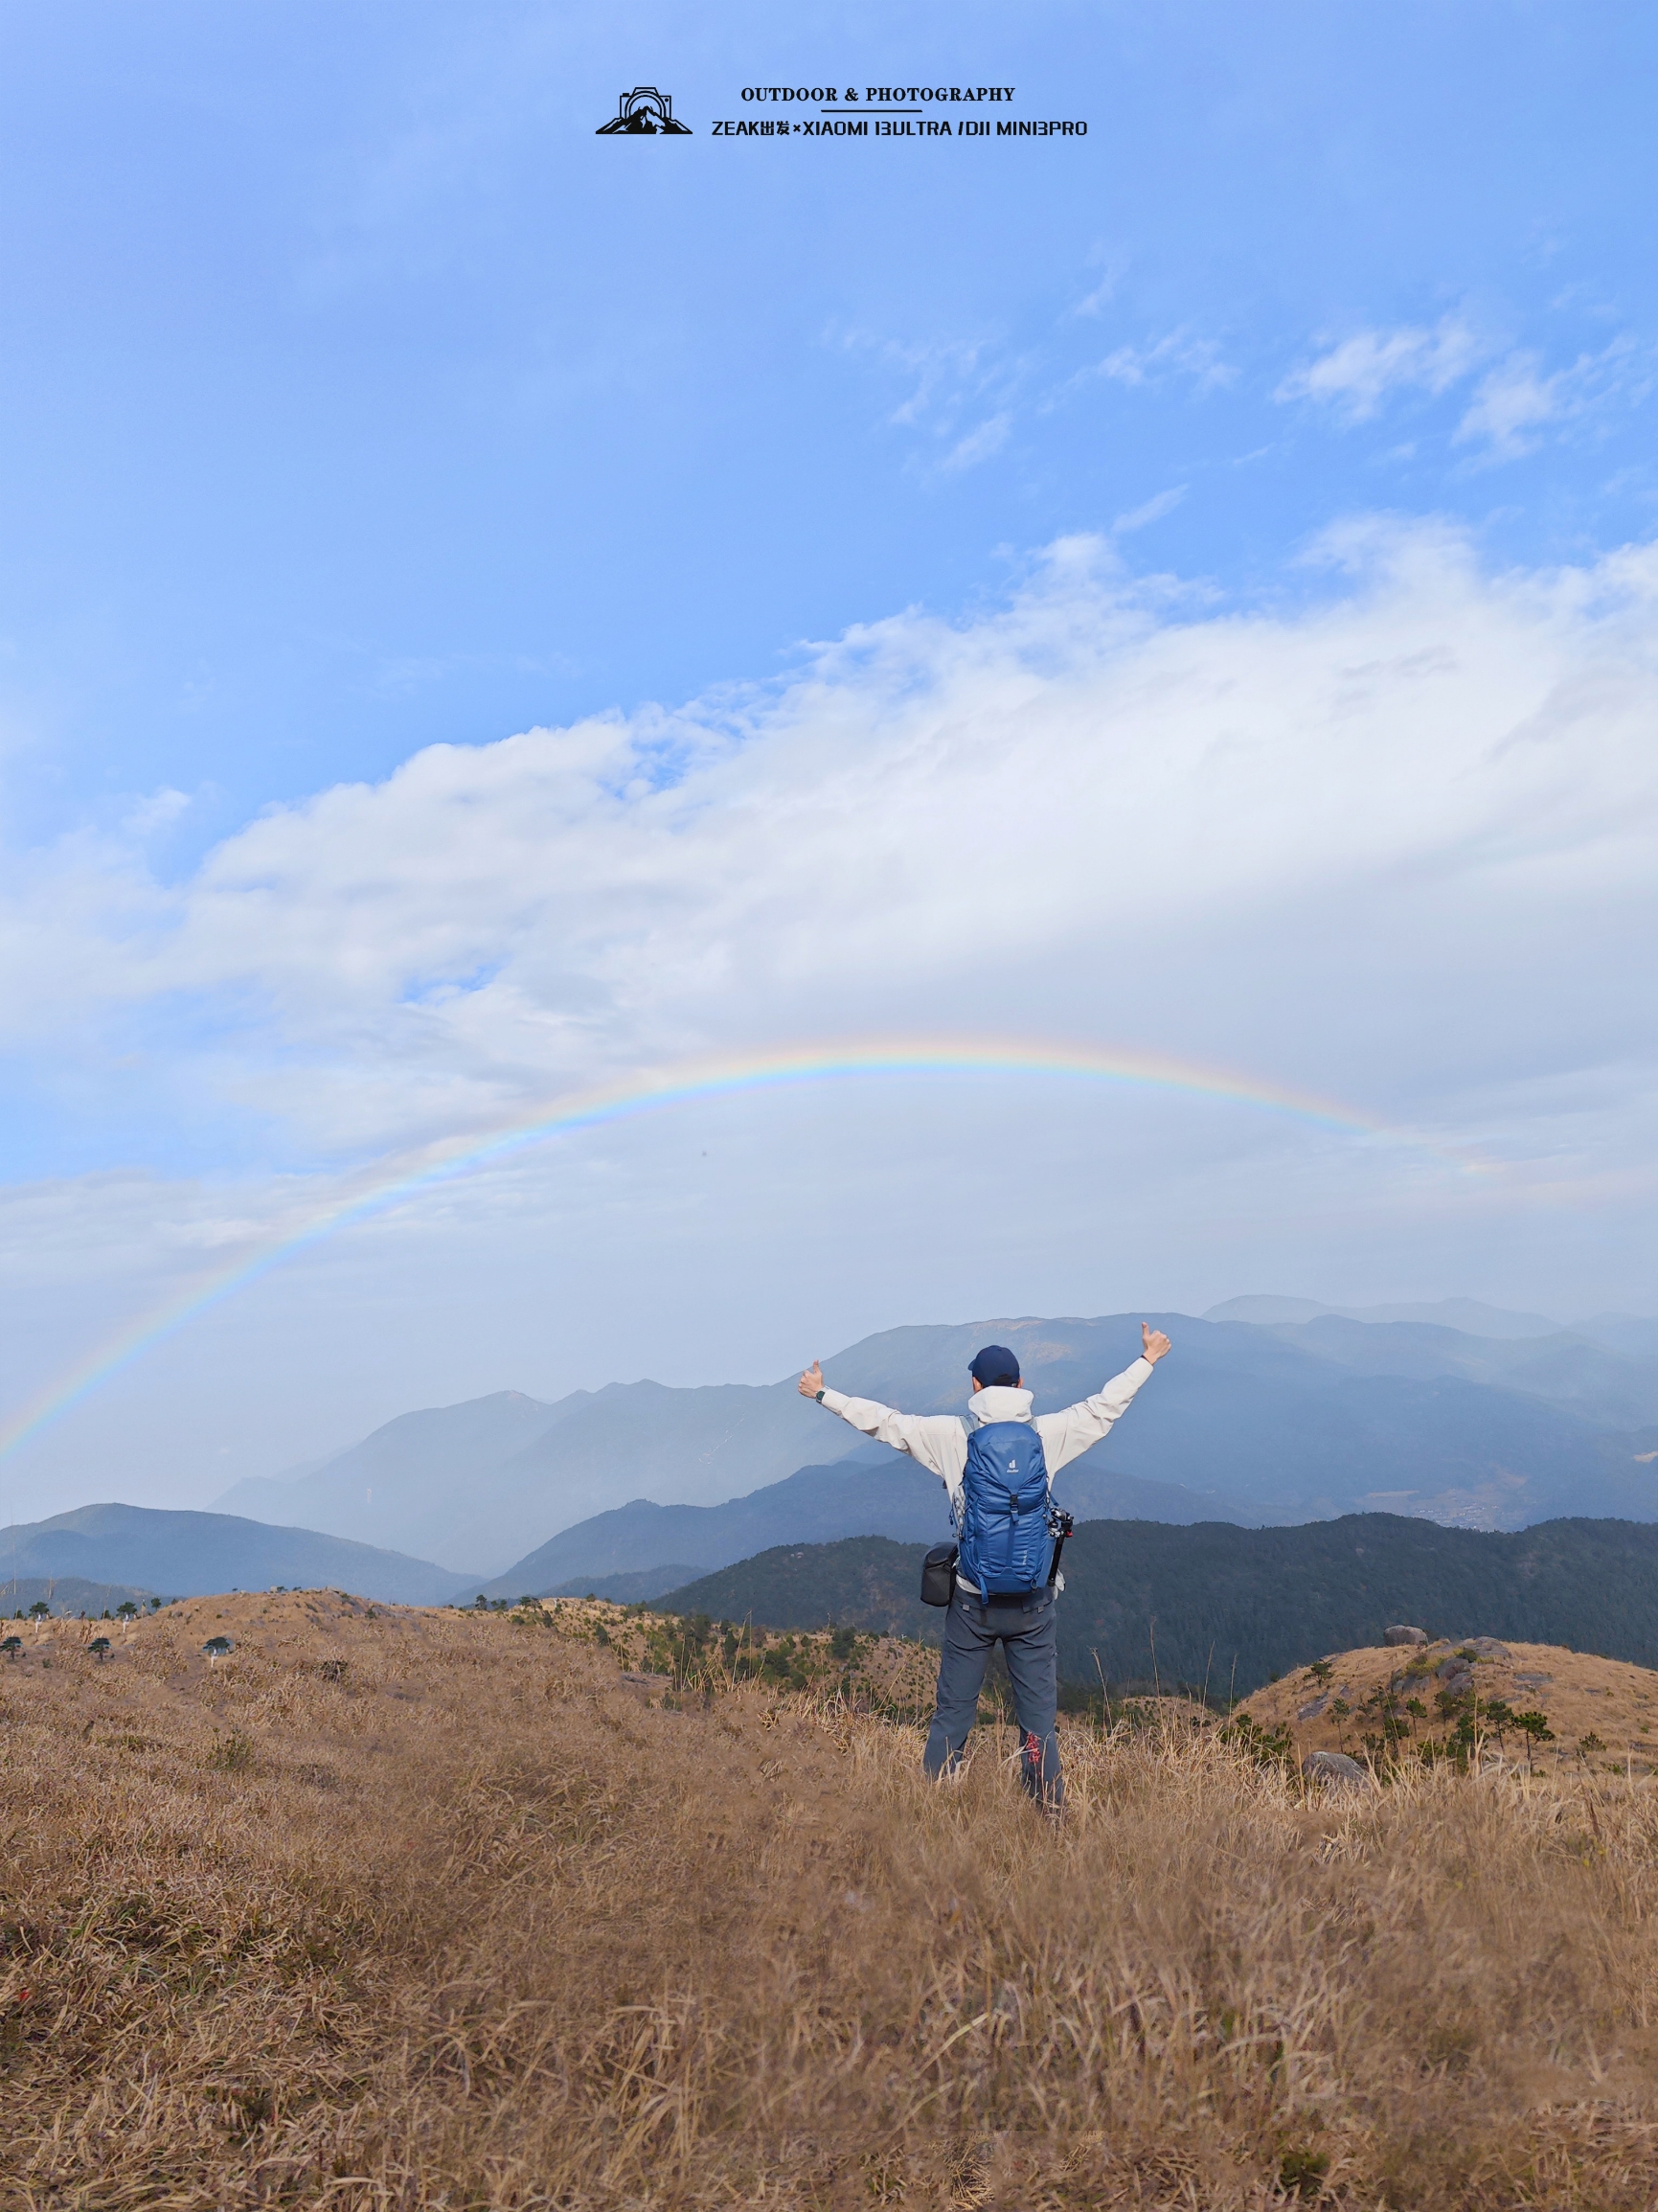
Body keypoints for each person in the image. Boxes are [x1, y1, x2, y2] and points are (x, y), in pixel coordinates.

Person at [798, 1325, 1172, 1812]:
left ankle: (936, 1806)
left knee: (954, 1711)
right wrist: (1148, 1360)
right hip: (1034, 1608)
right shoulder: (1047, 1435)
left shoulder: (952, 1436)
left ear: (975, 1387)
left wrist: (823, 1393)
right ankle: (1048, 1811)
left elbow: (886, 1423)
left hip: (972, 1603)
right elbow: (1103, 1408)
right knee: (1038, 1720)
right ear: (1020, 1387)